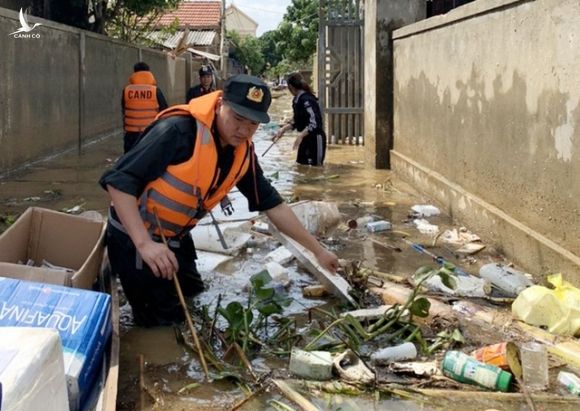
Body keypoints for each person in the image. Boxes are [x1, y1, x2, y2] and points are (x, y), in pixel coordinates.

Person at [100, 74, 339, 327]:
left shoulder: (242, 152)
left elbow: (275, 207)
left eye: (253, 124)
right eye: (238, 118)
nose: (244, 130)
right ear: (220, 103)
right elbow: (118, 183)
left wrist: (319, 252)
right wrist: (145, 244)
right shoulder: (177, 131)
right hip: (134, 235)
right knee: (163, 323)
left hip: (174, 236)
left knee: (194, 295)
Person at [273, 73, 327, 166]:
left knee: (316, 168)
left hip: (315, 138)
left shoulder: (307, 99)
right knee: (301, 166)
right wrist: (283, 129)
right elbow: (297, 121)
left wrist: (300, 135)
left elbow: (314, 122)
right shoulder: (296, 100)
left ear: (290, 86)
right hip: (304, 138)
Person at [122, 62, 168, 153]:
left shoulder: (126, 91)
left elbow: (124, 110)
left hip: (131, 134)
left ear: (134, 73)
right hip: (150, 133)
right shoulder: (155, 91)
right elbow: (165, 111)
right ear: (148, 73)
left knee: (130, 161)